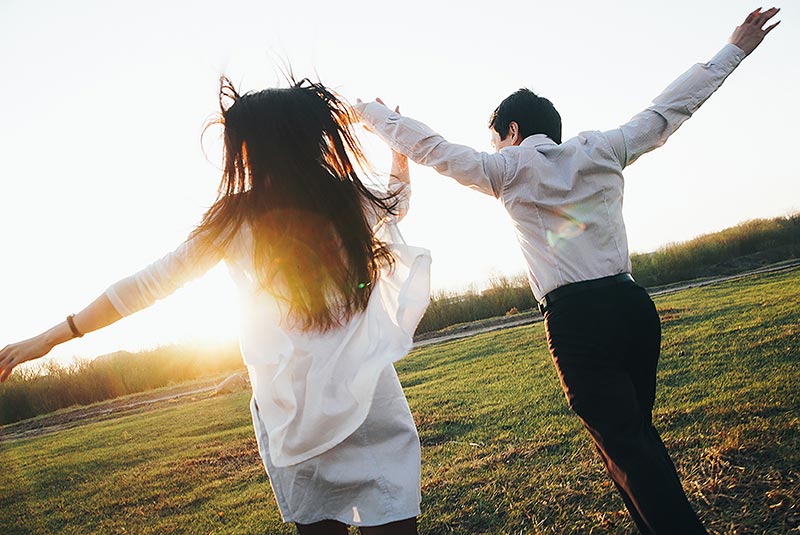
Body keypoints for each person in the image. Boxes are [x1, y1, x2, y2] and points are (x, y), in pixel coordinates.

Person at [355, 8, 780, 535]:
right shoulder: (603, 147)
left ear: (512, 131)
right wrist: (733, 49)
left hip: (579, 326)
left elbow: (434, 149)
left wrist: (368, 112)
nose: (493, 149)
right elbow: (671, 108)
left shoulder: (507, 169)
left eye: (495, 139)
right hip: (633, 309)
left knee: (632, 452)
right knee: (633, 444)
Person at [0, 78, 432, 535]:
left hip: (296, 416)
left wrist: (50, 337)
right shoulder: (348, 201)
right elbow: (396, 202)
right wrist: (397, 154)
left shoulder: (236, 220)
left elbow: (146, 286)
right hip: (364, 404)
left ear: (251, 152)